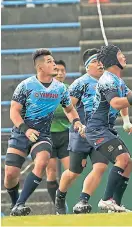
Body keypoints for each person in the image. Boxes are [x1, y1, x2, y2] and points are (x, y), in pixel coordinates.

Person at [4, 49, 84, 216]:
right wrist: (25, 130)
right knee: (10, 175)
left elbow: (70, 110)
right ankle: (14, 204)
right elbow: (13, 111)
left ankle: (20, 204)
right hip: (21, 133)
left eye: (53, 61)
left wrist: (76, 121)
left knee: (42, 162)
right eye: (49, 62)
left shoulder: (60, 88)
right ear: (40, 67)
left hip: (43, 135)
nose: (54, 64)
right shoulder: (26, 85)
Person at [85, 44, 132, 213]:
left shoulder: (118, 80)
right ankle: (105, 200)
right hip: (96, 129)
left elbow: (131, 99)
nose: (124, 57)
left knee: (129, 164)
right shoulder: (108, 80)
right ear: (113, 60)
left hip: (106, 129)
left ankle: (115, 204)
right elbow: (116, 102)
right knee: (123, 159)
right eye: (121, 54)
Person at [55, 49, 110, 215]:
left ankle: (83, 200)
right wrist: (77, 124)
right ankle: (60, 196)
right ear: (87, 66)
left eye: (101, 61)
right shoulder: (80, 83)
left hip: (101, 133)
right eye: (95, 61)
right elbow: (68, 106)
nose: (100, 64)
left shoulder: (109, 82)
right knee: (74, 172)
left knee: (100, 167)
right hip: (81, 133)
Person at [45, 60, 70, 209]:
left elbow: (72, 110)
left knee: (71, 170)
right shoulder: (45, 90)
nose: (60, 73)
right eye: (57, 70)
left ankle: (61, 197)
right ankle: (59, 207)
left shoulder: (68, 89)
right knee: (51, 171)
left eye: (63, 70)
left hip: (65, 134)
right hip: (48, 136)